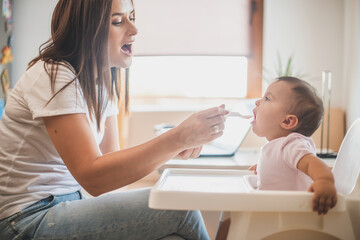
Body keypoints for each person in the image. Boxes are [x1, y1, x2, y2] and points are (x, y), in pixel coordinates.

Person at [0, 0, 228, 239]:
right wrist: (176, 139)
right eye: (118, 21)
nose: (134, 30)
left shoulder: (100, 84)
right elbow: (94, 178)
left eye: (132, 17)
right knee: (180, 208)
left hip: (65, 206)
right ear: (86, 31)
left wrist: (173, 147)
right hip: (24, 220)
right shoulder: (53, 74)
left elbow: (112, 169)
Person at [216, 76, 337, 240]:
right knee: (228, 219)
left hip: (286, 223)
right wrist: (265, 168)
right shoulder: (279, 146)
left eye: (267, 98)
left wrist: (324, 180)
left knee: (229, 222)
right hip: (274, 214)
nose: (258, 102)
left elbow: (311, 163)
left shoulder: (292, 144)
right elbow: (282, 170)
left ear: (287, 121)